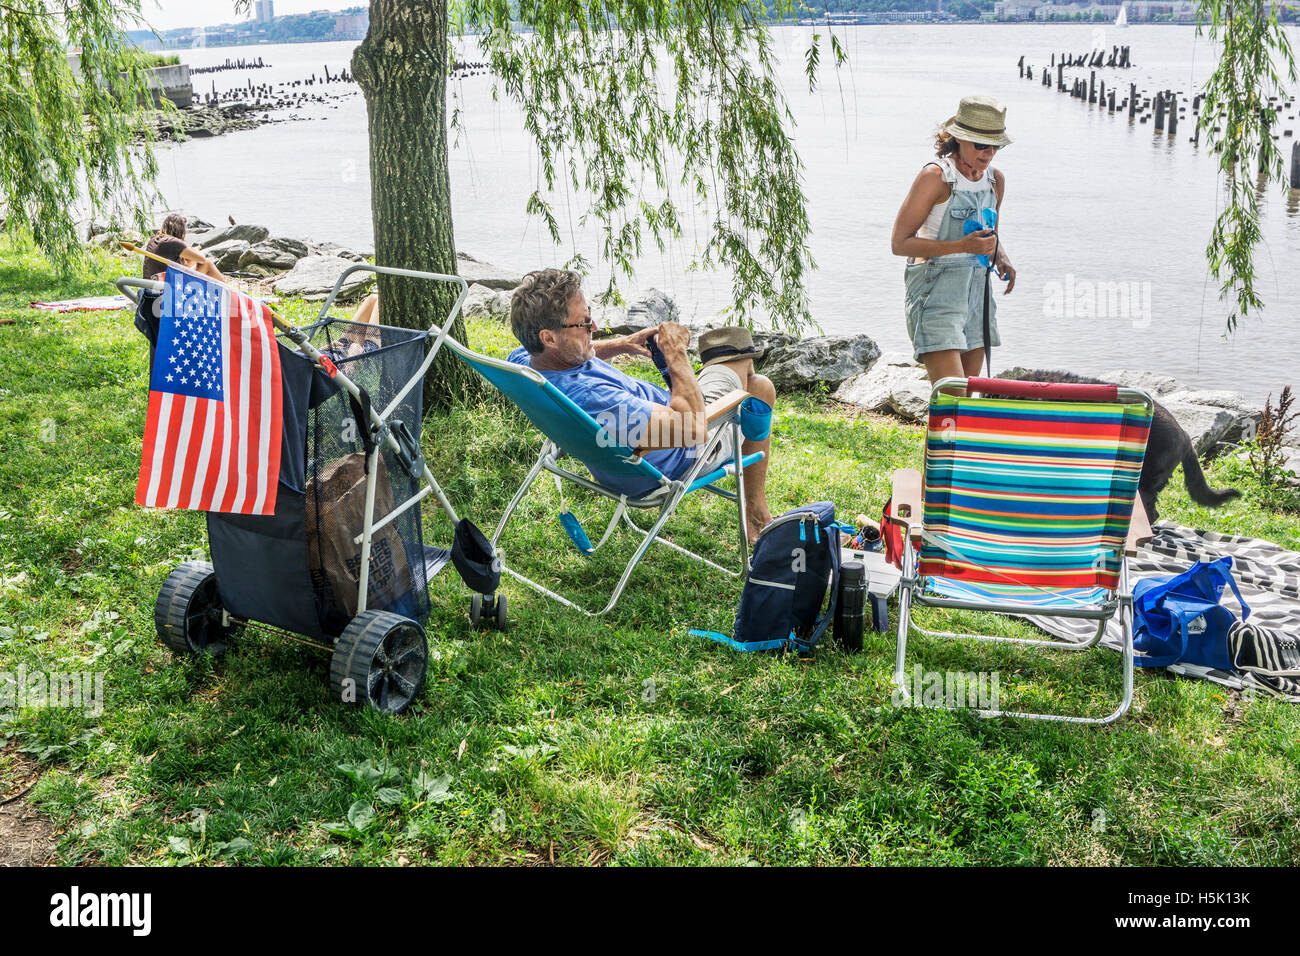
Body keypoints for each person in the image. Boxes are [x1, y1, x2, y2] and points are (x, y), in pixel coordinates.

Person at [507, 268, 775, 542]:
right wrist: (675, 352)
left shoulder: (523, 364)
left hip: (622, 457)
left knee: (753, 380)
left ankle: (756, 511)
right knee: (754, 378)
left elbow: (566, 352)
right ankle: (756, 513)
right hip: (685, 453)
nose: (594, 328)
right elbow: (693, 430)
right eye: (584, 323)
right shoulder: (599, 401)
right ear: (549, 338)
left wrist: (622, 344)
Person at [890, 95, 1017, 384]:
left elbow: (989, 234)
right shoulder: (935, 177)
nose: (988, 153)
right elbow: (900, 243)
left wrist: (1001, 255)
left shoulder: (995, 181)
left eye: (995, 145)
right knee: (951, 396)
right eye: (980, 144)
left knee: (968, 401)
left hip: (978, 298)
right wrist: (960, 247)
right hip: (935, 297)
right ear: (959, 139)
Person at [142, 213, 227, 283]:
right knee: (207, 264)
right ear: (181, 231)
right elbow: (202, 260)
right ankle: (229, 293)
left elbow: (185, 265)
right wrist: (195, 250)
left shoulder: (155, 239)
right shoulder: (173, 242)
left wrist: (191, 253)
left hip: (151, 287)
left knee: (193, 264)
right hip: (165, 291)